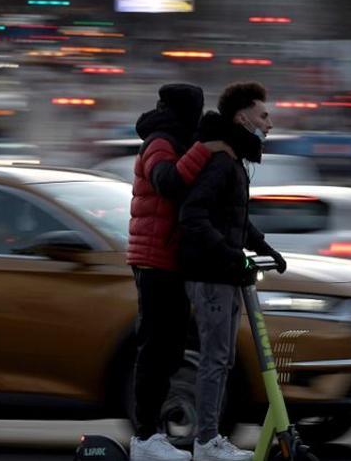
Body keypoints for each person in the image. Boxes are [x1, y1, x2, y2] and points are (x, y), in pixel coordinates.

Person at [178, 82, 287, 461]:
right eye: (264, 115)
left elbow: (234, 220)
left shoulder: (235, 160)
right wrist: (232, 256)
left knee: (222, 358)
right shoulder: (222, 161)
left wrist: (263, 248)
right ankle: (206, 441)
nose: (269, 124)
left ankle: (211, 438)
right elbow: (193, 216)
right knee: (214, 356)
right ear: (243, 117)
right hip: (210, 275)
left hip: (224, 272)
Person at [128, 83, 229, 461]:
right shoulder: (159, 140)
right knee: (156, 349)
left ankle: (152, 434)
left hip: (171, 260)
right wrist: (204, 149)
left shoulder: (182, 138)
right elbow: (167, 182)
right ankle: (144, 438)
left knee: (170, 350)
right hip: (154, 258)